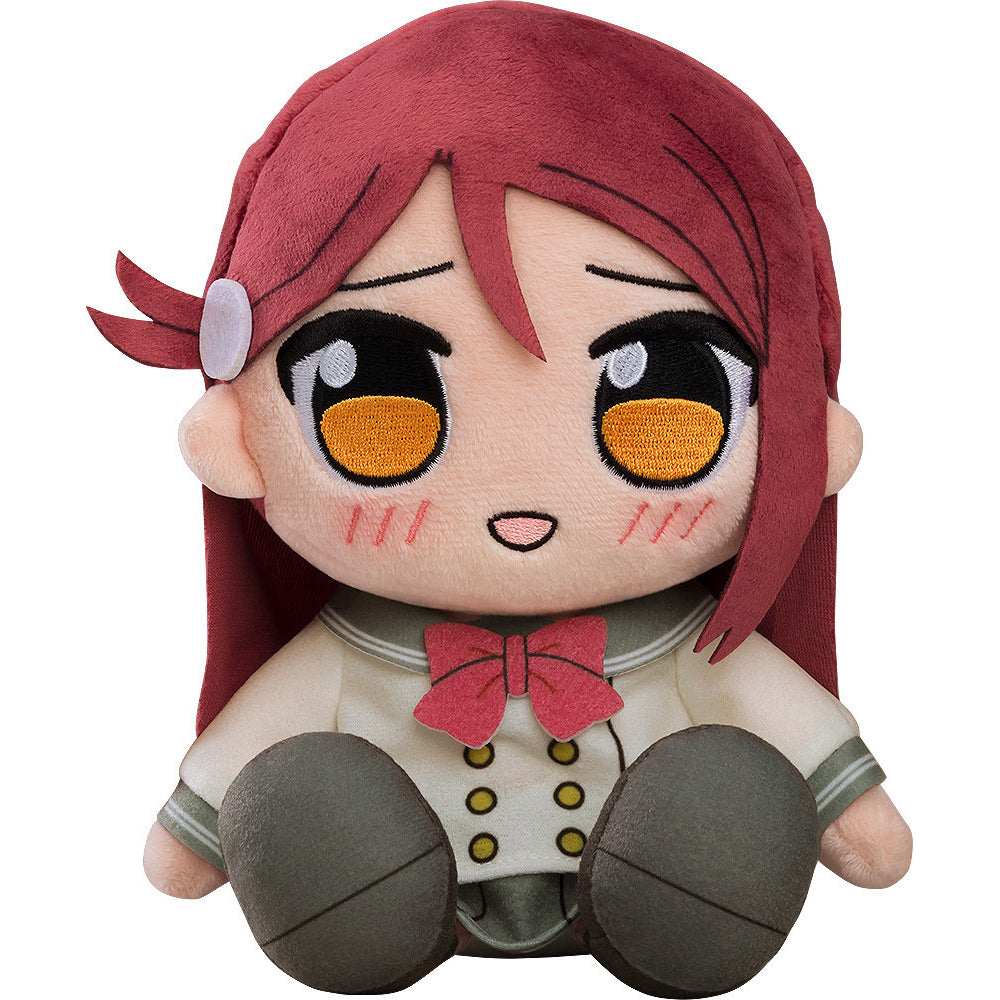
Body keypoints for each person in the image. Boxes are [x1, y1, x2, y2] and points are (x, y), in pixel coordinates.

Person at [90, 4, 912, 995]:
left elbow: (816, 762)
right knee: (298, 789)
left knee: (727, 789)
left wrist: (845, 811)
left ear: (807, 435)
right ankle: (351, 901)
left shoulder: (698, 647)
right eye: (379, 394)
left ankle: (691, 893)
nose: (522, 489)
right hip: (397, 896)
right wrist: (206, 831)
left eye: (667, 394)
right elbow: (216, 801)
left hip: (654, 898)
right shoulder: (344, 653)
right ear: (238, 438)